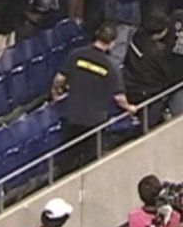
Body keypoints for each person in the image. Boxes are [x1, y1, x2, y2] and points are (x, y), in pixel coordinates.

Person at [51, 24, 138, 176]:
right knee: (89, 160)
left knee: (67, 157)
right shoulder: (110, 67)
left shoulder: (76, 55)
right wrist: (130, 108)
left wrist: (56, 94)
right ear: (112, 43)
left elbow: (59, 79)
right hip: (93, 122)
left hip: (71, 116)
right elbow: (119, 98)